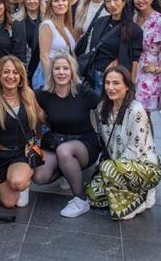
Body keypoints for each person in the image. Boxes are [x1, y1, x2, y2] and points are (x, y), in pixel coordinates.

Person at [86, 66, 161, 220]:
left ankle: (141, 198)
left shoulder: (136, 110)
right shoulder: (102, 108)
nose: (110, 88)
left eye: (116, 83)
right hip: (116, 166)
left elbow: (134, 151)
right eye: (107, 83)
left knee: (107, 169)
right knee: (92, 194)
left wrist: (112, 171)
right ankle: (129, 195)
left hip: (144, 166)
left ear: (127, 86)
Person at [33, 53, 101, 218]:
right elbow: (24, 100)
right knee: (39, 176)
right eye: (57, 68)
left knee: (65, 151)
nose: (61, 72)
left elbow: (106, 105)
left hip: (84, 143)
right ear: (51, 72)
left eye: (65, 68)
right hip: (56, 142)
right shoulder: (43, 94)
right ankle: (69, 172)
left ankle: (80, 199)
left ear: (72, 71)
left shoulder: (83, 92)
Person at [0, 56, 40, 208]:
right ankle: (12, 176)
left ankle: (23, 181)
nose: (11, 76)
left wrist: (37, 142)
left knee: (17, 183)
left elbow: (39, 118)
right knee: (9, 203)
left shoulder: (28, 95)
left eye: (15, 72)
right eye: (6, 72)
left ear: (20, 77)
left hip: (21, 153)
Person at [85, 0, 143, 96]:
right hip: (96, 74)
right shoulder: (100, 22)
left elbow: (136, 59)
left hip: (118, 78)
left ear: (124, 1)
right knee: (99, 109)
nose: (112, 4)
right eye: (108, 1)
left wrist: (131, 83)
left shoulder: (134, 29)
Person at [32, 0, 75, 90]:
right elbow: (44, 56)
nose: (60, 3)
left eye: (63, 0)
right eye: (56, 0)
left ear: (68, 3)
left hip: (63, 76)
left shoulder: (66, 26)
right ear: (50, 5)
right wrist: (51, 83)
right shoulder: (47, 25)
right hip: (48, 77)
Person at [23, 0, 45, 79]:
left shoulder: (47, 20)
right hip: (25, 66)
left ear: (40, 0)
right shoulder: (17, 21)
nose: (32, 1)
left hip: (42, 67)